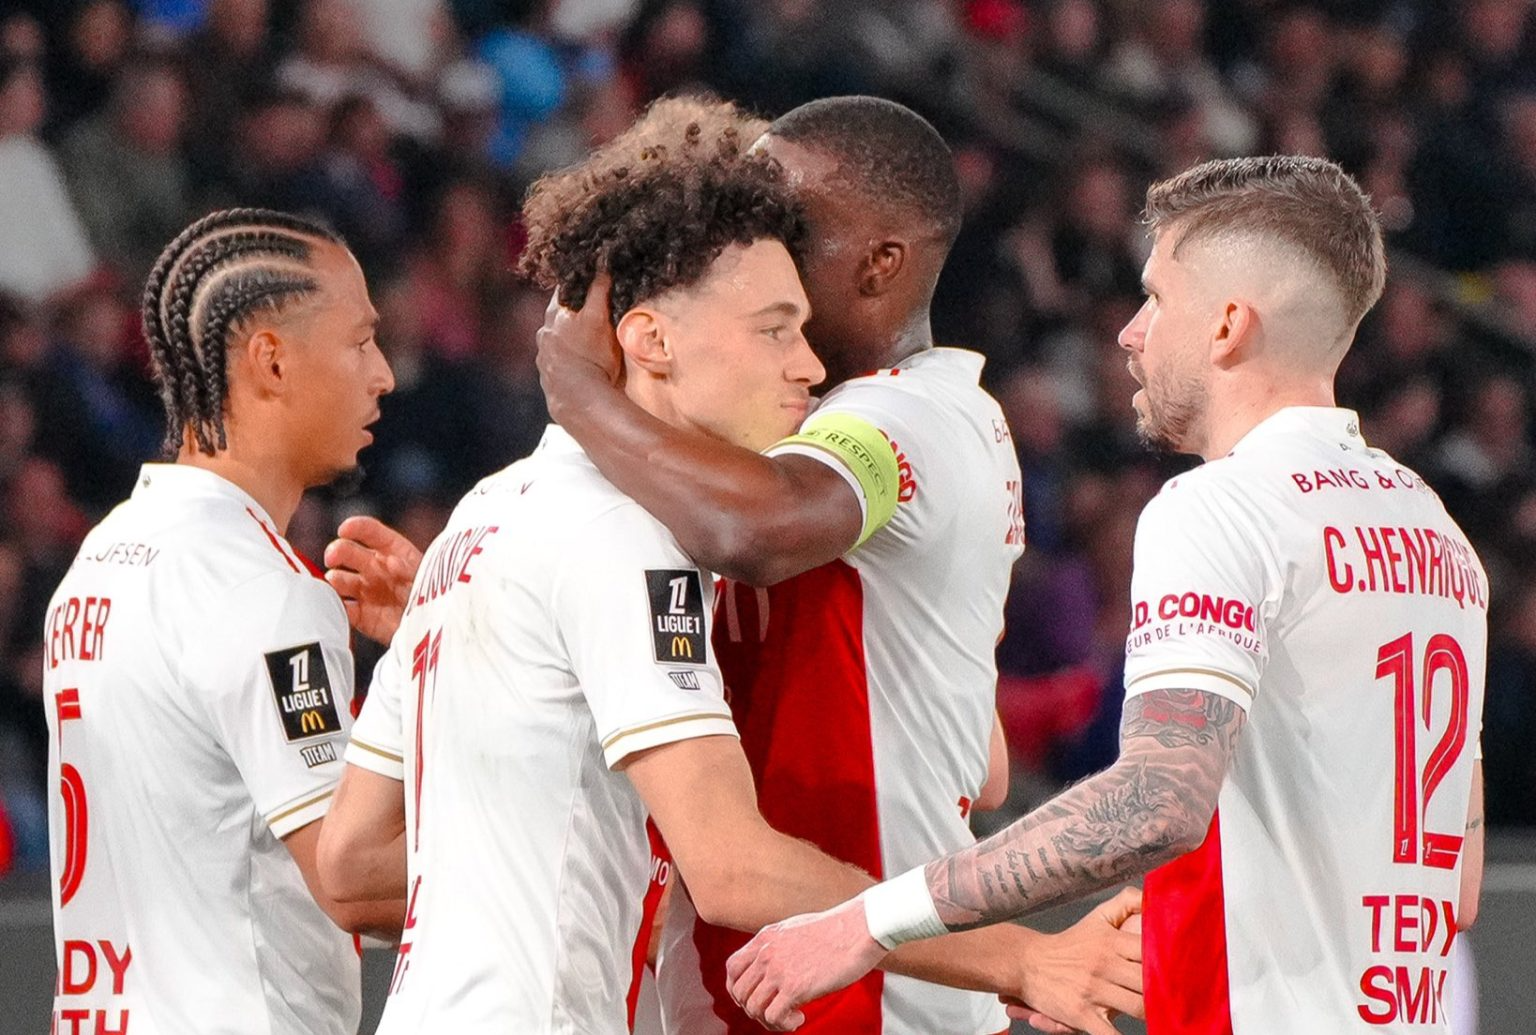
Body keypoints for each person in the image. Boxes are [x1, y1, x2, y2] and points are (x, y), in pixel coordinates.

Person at [317, 97, 1141, 1035]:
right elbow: (734, 863)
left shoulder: (487, 518)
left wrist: (517, 667)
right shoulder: (637, 531)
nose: (802, 363)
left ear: (882, 262)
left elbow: (352, 865)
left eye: (796, 314)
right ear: (651, 338)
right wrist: (1021, 954)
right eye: (771, 327)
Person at [724, 154, 1490, 1035]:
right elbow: (1458, 883)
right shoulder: (1438, 537)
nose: (1130, 332)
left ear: (1229, 325)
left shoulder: (1222, 508)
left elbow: (1156, 801)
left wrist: (868, 920)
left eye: (1157, 297)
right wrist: (1175, 928)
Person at [42, 208, 403, 1034]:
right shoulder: (263, 590)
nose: (382, 374)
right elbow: (358, 882)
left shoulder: (103, 557)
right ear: (272, 360)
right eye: (360, 342)